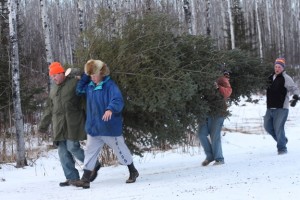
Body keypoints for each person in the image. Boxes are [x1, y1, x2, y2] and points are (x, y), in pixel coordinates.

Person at [74, 59, 139, 189]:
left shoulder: (110, 86)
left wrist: (110, 109)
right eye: (90, 74)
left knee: (121, 151)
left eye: (94, 74)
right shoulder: (90, 86)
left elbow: (117, 100)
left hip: (109, 128)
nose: (92, 77)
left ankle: (133, 171)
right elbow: (79, 90)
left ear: (102, 73)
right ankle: (85, 179)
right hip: (94, 128)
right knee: (90, 153)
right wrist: (85, 76)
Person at [38, 62, 101, 187]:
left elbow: (87, 81)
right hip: (59, 125)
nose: (53, 78)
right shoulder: (53, 89)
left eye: (55, 75)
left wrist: (75, 71)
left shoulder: (74, 83)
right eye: (52, 76)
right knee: (62, 152)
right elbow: (49, 108)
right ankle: (72, 177)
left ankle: (93, 164)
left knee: (72, 147)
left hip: (73, 122)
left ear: (62, 73)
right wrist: (43, 125)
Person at [264, 58, 299, 155]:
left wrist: (296, 96)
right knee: (267, 127)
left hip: (282, 108)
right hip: (270, 107)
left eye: (279, 67)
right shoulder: (270, 77)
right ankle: (282, 140)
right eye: (276, 66)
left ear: (283, 68)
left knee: (279, 128)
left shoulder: (286, 78)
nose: (277, 68)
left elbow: (294, 88)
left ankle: (282, 149)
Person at [198, 70, 232, 166]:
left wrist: (218, 87)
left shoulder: (223, 79)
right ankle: (210, 156)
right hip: (205, 111)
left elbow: (228, 92)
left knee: (214, 135)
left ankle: (219, 159)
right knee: (201, 134)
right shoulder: (202, 74)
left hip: (218, 111)